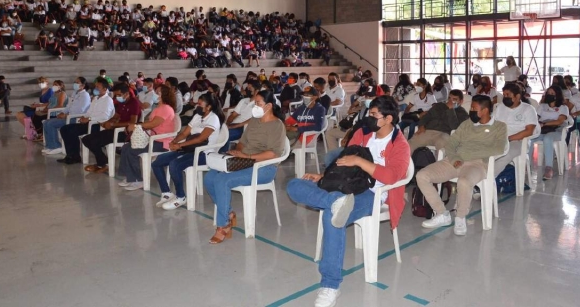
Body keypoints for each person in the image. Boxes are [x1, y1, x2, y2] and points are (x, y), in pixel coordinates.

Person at [286, 96, 410, 306]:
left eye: (373, 115)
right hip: (345, 186)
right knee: (294, 185)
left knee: (333, 215)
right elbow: (343, 162)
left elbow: (391, 177)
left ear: (388, 119)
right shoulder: (362, 133)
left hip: (374, 193)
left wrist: (360, 161)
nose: (368, 118)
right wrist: (324, 177)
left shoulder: (400, 144)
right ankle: (335, 201)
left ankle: (330, 285)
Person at [417, 95, 507, 236]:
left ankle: (460, 217)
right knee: (422, 176)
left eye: (474, 108)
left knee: (464, 182)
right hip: (454, 161)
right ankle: (442, 214)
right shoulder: (467, 124)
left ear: (484, 110)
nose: (471, 110)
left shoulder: (499, 126)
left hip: (477, 164)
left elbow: (499, 148)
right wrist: (454, 158)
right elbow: (451, 143)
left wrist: (468, 154)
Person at [204, 90, 286, 244]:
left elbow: (273, 154)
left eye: (258, 104)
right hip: (244, 161)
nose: (255, 106)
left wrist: (247, 157)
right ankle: (228, 213)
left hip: (264, 167)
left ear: (269, 106)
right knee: (210, 178)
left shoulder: (277, 126)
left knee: (222, 180)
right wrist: (238, 153)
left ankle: (223, 226)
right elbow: (242, 141)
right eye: (255, 103)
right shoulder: (254, 121)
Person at [152, 93, 225, 209]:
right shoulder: (197, 116)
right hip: (190, 149)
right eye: (198, 104)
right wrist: (175, 142)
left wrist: (180, 146)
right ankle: (166, 193)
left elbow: (201, 138)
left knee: (175, 164)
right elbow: (185, 133)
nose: (197, 106)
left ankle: (181, 196)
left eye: (200, 104)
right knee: (157, 162)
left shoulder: (213, 118)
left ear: (209, 107)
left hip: (204, 153)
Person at [118, 85, 177, 190]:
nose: (155, 94)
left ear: (164, 95)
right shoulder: (158, 108)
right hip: (153, 139)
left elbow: (152, 124)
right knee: (126, 147)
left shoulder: (166, 108)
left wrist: (135, 126)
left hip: (162, 142)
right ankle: (129, 177)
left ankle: (137, 180)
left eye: (158, 92)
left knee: (132, 150)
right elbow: (148, 123)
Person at [81, 83, 141, 173]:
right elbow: (116, 116)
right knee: (86, 139)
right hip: (115, 130)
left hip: (126, 133)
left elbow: (133, 122)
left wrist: (113, 125)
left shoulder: (134, 103)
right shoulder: (122, 102)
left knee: (94, 141)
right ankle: (103, 162)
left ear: (127, 94)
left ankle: (102, 164)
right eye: (116, 95)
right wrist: (108, 122)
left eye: (119, 95)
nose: (117, 97)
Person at [57, 79, 115, 165]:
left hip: (98, 124)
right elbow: (89, 112)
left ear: (105, 89)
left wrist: (89, 119)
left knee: (71, 131)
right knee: (65, 129)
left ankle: (75, 157)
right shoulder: (95, 99)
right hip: (89, 123)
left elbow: (104, 116)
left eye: (98, 87)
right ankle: (72, 155)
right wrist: (84, 117)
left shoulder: (108, 100)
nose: (95, 88)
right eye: (95, 87)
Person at [491, 83, 540, 175]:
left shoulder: (528, 109)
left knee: (504, 155)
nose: (505, 97)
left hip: (519, 141)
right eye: (504, 95)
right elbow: (491, 123)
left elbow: (529, 131)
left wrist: (508, 139)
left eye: (508, 95)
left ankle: (487, 180)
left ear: (517, 96)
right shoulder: (501, 107)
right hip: (499, 138)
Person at [408, 89, 469, 154]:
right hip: (428, 131)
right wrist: (421, 125)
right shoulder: (439, 106)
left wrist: (451, 110)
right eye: (449, 98)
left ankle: (438, 163)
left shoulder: (462, 113)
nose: (450, 101)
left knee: (442, 147)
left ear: (461, 101)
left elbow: (455, 128)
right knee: (410, 144)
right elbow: (426, 116)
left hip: (444, 133)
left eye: (454, 99)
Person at [529, 86, 570, 180]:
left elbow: (559, 121)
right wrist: (538, 124)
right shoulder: (542, 106)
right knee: (530, 139)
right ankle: (526, 165)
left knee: (548, 138)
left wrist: (545, 123)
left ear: (557, 96)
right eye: (548, 93)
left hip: (557, 130)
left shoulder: (563, 107)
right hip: (543, 130)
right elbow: (536, 118)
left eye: (552, 94)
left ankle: (549, 168)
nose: (549, 95)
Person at [42, 77, 91, 154]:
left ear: (83, 85)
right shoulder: (75, 93)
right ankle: (50, 146)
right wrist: (62, 112)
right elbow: (68, 106)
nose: (75, 84)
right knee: (46, 122)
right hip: (68, 115)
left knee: (51, 124)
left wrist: (66, 115)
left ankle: (56, 146)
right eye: (75, 82)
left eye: (77, 82)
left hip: (75, 118)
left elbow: (80, 110)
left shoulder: (85, 95)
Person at [222, 80, 260, 152]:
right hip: (233, 125)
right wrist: (227, 124)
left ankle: (222, 154)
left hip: (244, 128)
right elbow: (233, 115)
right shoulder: (243, 100)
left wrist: (235, 126)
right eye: (247, 88)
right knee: (219, 132)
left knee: (224, 136)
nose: (247, 90)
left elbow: (253, 119)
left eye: (250, 88)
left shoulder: (258, 103)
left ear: (257, 91)